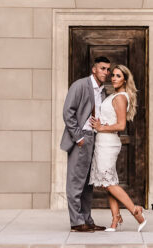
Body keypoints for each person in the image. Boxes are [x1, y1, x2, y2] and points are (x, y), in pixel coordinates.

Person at [89, 64, 147, 233]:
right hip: (103, 141)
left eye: (118, 76)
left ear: (125, 79)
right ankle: (115, 220)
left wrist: (100, 128)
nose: (113, 78)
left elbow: (121, 125)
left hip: (108, 142)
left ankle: (135, 211)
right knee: (109, 182)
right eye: (112, 75)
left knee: (108, 182)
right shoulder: (114, 95)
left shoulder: (121, 97)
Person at [60, 55, 110, 232]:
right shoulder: (80, 85)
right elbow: (68, 112)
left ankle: (87, 220)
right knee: (75, 181)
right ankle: (76, 221)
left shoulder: (103, 90)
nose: (106, 72)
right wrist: (78, 137)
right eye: (102, 68)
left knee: (89, 182)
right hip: (81, 138)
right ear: (94, 69)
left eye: (107, 69)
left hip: (95, 139)